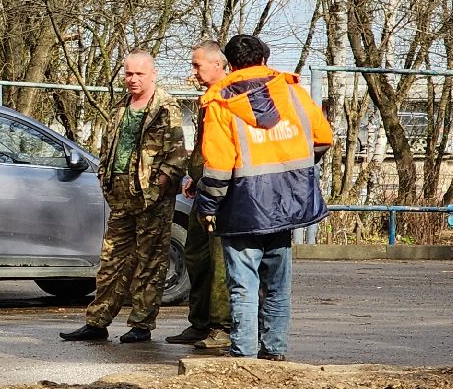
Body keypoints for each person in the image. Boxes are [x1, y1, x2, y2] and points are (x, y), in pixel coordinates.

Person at [195, 34, 333, 361]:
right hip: (288, 205)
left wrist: (207, 206)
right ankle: (274, 352)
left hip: (242, 209)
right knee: (277, 286)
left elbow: (217, 166)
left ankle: (243, 356)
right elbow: (323, 138)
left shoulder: (221, 103)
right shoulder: (293, 93)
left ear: (229, 64)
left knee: (243, 287)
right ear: (265, 59)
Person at [64, 51, 188, 345]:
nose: (132, 79)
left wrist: (157, 187)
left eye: (139, 74)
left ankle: (141, 325)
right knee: (111, 261)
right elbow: (109, 147)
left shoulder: (165, 108)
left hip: (151, 199)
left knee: (149, 263)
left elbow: (177, 157)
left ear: (152, 74)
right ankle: (97, 321)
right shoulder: (122, 106)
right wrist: (105, 176)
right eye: (128, 73)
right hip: (120, 195)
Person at [168, 42, 234, 351]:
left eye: (197, 66)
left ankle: (222, 327)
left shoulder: (228, 97)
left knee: (219, 260)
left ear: (218, 65)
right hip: (203, 187)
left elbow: (225, 151)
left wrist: (211, 182)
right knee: (196, 255)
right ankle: (200, 322)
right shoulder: (206, 100)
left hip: (221, 194)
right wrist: (196, 177)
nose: (193, 72)